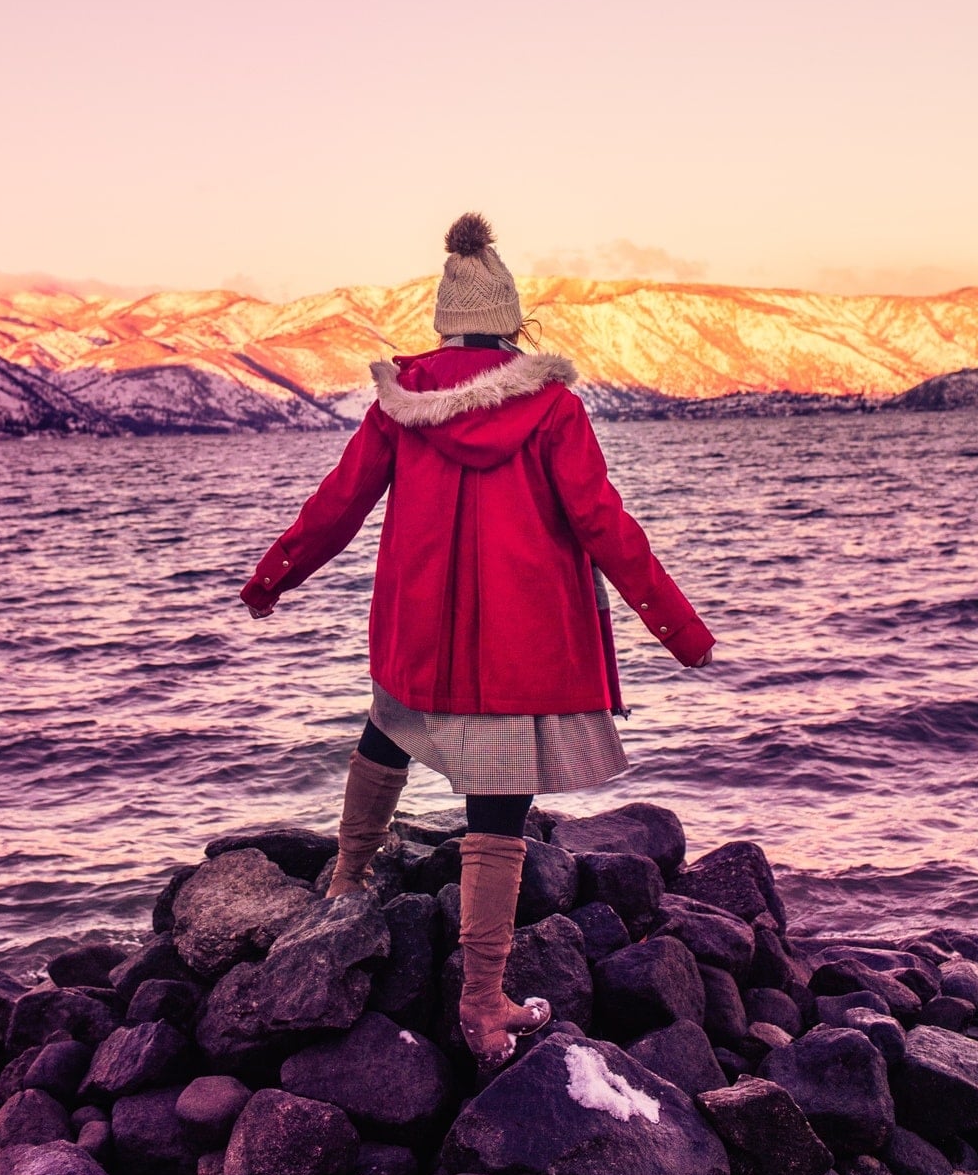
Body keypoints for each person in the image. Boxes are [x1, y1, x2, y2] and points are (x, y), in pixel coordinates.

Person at [241, 212, 716, 1067]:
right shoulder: (552, 407)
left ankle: (347, 879)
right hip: (519, 643)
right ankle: (484, 1003)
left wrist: (273, 576)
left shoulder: (401, 403)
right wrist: (679, 629)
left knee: (388, 722)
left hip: (417, 627)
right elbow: (603, 524)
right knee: (494, 814)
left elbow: (338, 504)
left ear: (442, 317)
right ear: (511, 321)